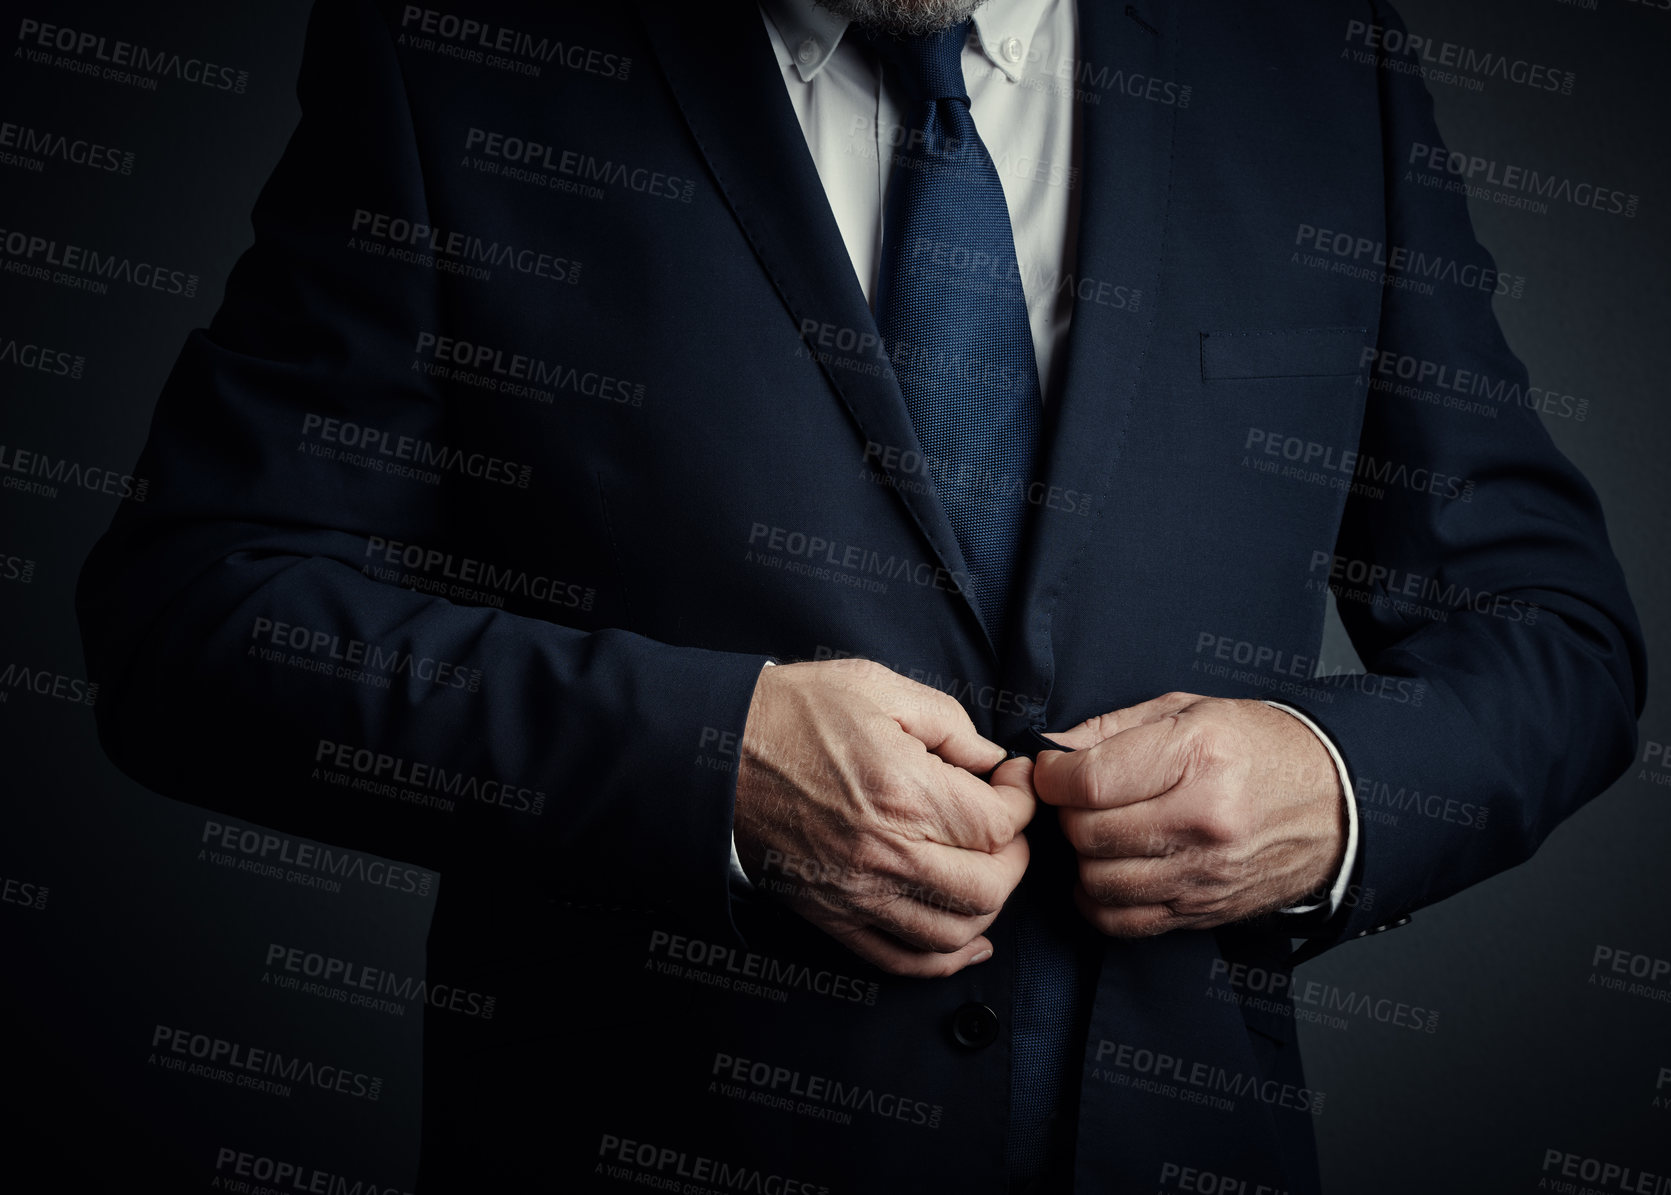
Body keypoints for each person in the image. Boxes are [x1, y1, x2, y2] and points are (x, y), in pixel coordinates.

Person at [76, 0, 1645, 1191]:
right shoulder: (467, 56)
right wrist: (705, 768)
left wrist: (1337, 783)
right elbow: (197, 613)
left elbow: (1551, 637)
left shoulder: (1314, 66)